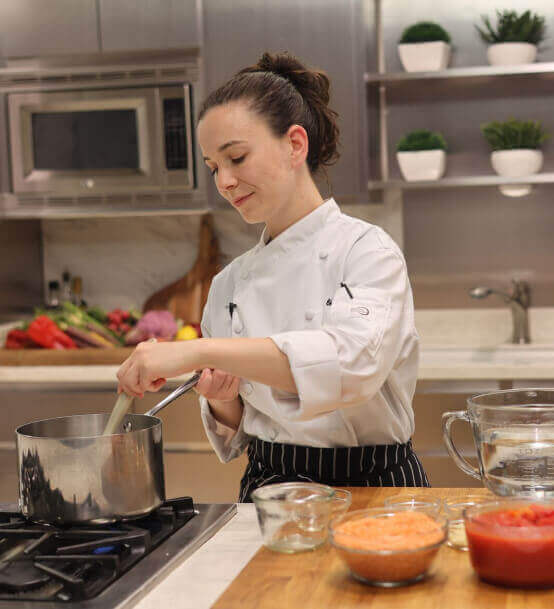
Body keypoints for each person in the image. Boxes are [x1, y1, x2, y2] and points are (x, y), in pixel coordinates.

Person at [116, 51, 429, 502]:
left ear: (295, 145)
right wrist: (223, 397)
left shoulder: (367, 251)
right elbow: (240, 429)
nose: (224, 181)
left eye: (236, 158)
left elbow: (352, 365)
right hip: (272, 489)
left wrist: (192, 351)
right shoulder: (228, 284)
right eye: (213, 168)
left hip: (376, 488)